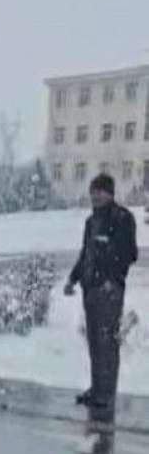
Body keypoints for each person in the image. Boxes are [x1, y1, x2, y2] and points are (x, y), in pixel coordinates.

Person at [65, 173, 137, 422]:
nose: (95, 196)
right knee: (95, 340)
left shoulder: (122, 218)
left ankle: (106, 393)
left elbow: (130, 253)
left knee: (107, 341)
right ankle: (97, 388)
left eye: (100, 191)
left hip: (109, 290)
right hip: (90, 288)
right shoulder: (91, 221)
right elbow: (85, 253)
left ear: (110, 193)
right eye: (92, 191)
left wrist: (111, 278)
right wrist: (72, 279)